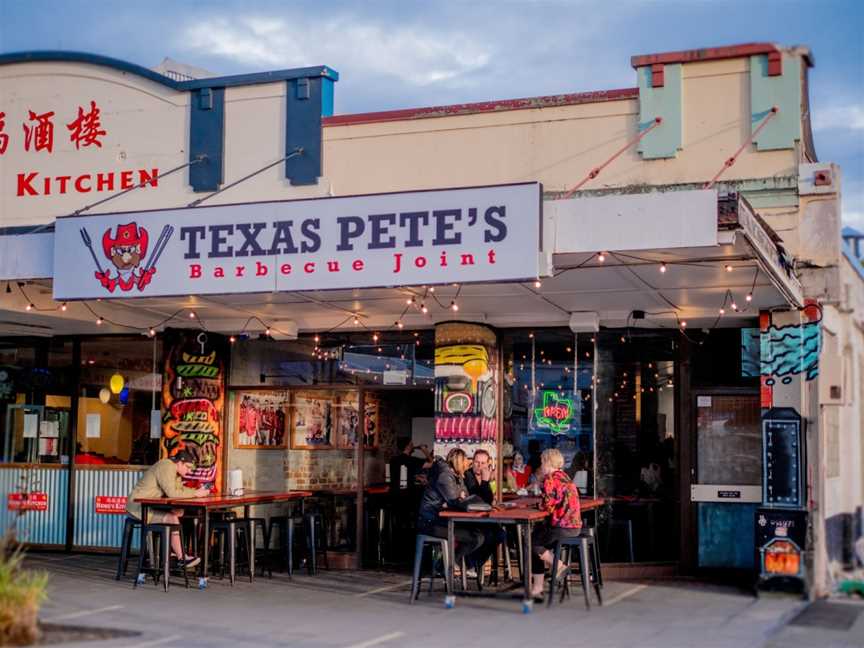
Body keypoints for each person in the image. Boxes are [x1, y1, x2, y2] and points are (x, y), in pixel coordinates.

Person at [125, 449, 209, 569]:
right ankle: (181, 558)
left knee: (178, 513)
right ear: (179, 463)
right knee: (172, 517)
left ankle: (168, 553)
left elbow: (181, 491)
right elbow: (173, 493)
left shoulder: (176, 473)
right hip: (137, 508)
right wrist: (196, 494)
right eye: (188, 467)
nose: (189, 471)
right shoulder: (167, 466)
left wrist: (197, 492)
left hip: (149, 507)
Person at [416, 448, 485, 572]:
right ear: (459, 462)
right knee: (475, 538)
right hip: (430, 522)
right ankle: (444, 565)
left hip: (441, 520)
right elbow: (456, 501)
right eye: (466, 461)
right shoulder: (445, 476)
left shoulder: (457, 476)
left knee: (479, 535)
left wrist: (460, 499)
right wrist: (459, 499)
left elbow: (465, 497)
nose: (468, 464)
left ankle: (450, 564)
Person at [530, 448, 582, 598]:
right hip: (574, 527)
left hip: (562, 527)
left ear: (547, 462)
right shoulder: (565, 476)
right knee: (537, 537)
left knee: (532, 542)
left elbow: (548, 505)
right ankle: (537, 587)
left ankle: (558, 567)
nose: (541, 466)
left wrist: (538, 505)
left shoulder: (551, 479)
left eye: (542, 462)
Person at [463, 449, 506, 576]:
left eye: (483, 463)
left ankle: (474, 564)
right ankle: (471, 564)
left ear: (488, 464)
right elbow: (479, 500)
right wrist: (486, 481)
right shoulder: (468, 475)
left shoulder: (485, 477)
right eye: (477, 462)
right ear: (472, 463)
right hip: (468, 519)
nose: (479, 466)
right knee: (488, 534)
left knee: (500, 534)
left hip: (482, 518)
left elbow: (488, 501)